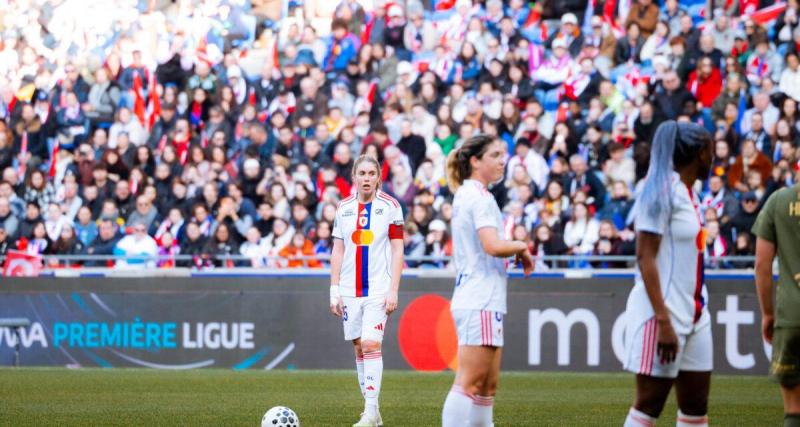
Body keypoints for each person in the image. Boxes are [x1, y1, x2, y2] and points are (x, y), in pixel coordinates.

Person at [623, 121, 714, 427]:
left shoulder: (691, 193)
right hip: (661, 316)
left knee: (696, 406)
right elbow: (644, 256)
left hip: (695, 314)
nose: (714, 158)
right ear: (699, 153)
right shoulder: (661, 191)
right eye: (710, 150)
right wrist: (663, 320)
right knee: (649, 404)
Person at [441, 134, 534, 427]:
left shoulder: (470, 194)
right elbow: (492, 244)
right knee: (469, 383)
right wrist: (520, 245)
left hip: (481, 297)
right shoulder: (478, 197)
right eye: (495, 155)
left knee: (486, 388)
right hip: (480, 297)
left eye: (502, 154)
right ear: (475, 161)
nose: (502, 160)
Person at [329, 154, 405, 427]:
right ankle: (372, 411)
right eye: (362, 173)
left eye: (371, 174)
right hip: (350, 290)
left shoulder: (391, 207)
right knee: (359, 347)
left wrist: (393, 289)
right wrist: (334, 290)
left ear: (378, 177)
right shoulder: (344, 208)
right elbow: (338, 250)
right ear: (354, 176)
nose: (366, 178)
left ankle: (370, 412)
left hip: (378, 289)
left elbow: (398, 250)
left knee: (372, 343)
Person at [752, 168, 800, 427]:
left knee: (793, 408)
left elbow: (762, 265)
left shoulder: (778, 201)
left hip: (791, 315)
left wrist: (768, 314)